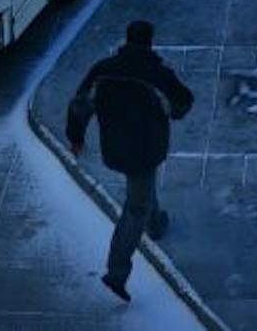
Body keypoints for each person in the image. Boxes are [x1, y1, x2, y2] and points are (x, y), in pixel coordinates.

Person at [65, 19, 194, 302]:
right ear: (150, 42)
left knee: (143, 191)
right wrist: (168, 110)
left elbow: (79, 104)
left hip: (114, 148)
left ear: (127, 39)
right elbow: (184, 101)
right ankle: (117, 272)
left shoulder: (102, 70)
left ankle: (156, 223)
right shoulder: (157, 73)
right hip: (146, 150)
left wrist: (76, 138)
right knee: (136, 207)